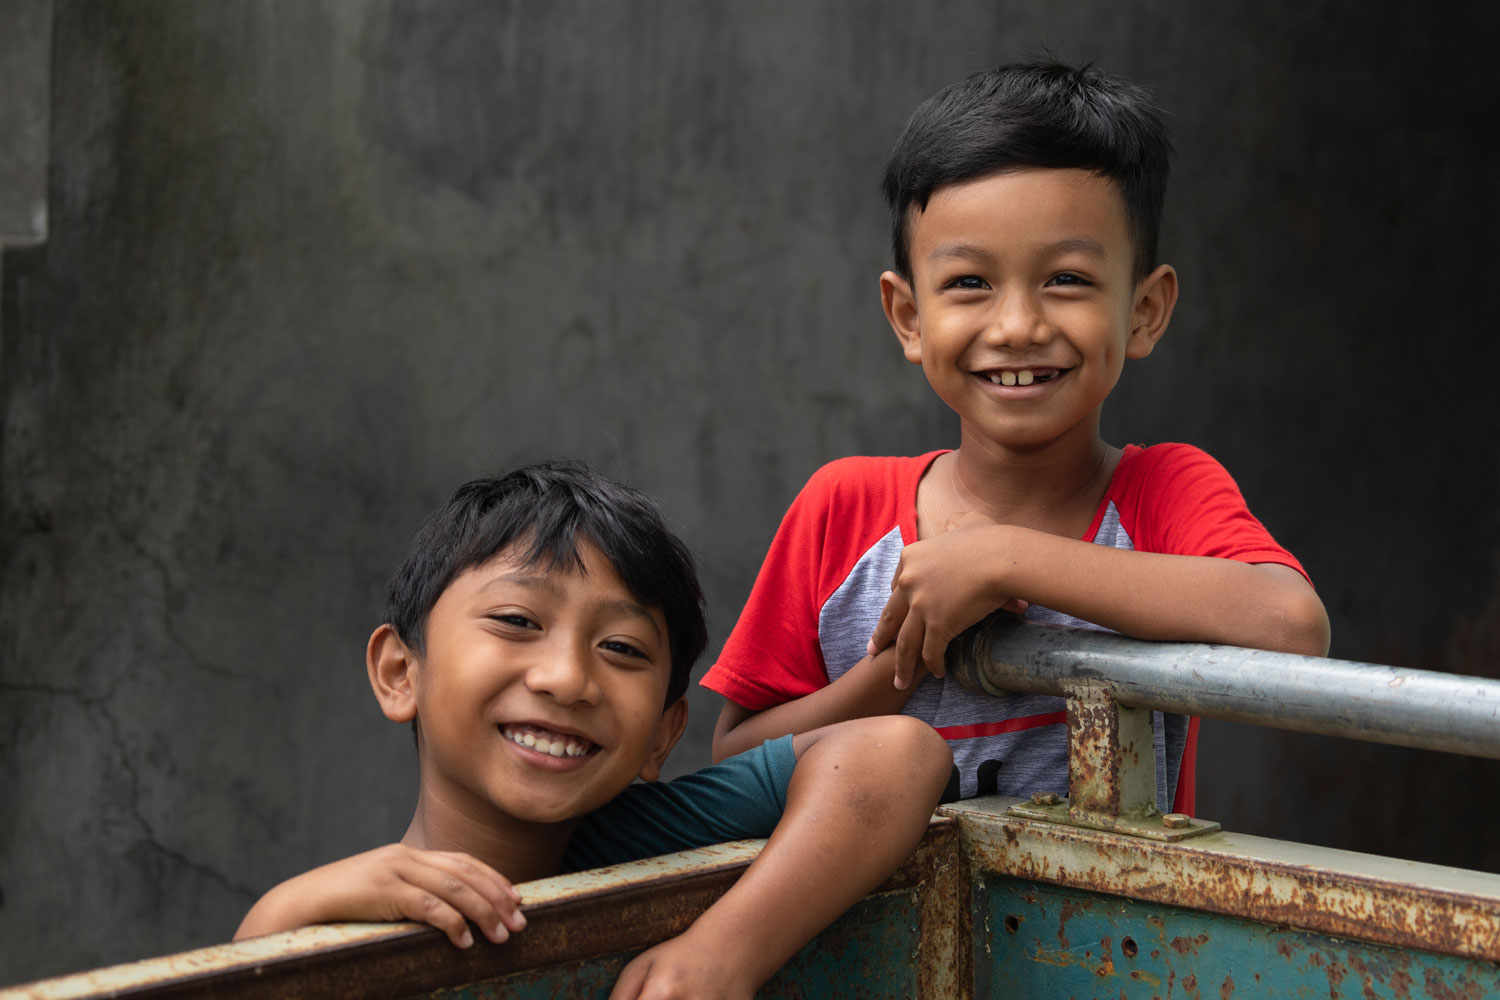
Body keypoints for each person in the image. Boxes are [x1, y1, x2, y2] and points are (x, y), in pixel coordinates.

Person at [703, 61, 1330, 812]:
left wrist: (1005, 561)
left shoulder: (1163, 493)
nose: (1017, 327)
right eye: (969, 283)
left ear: (1146, 310)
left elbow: (1292, 625)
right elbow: (735, 766)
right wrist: (911, 662)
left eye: (1066, 279)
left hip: (1109, 934)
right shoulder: (843, 506)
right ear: (908, 315)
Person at [235, 462, 951, 999]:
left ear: (663, 736)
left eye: (622, 650)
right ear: (400, 672)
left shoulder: (640, 839)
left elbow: (899, 753)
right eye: (518, 622)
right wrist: (282, 913)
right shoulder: (339, 912)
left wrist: (726, 951)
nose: (567, 679)